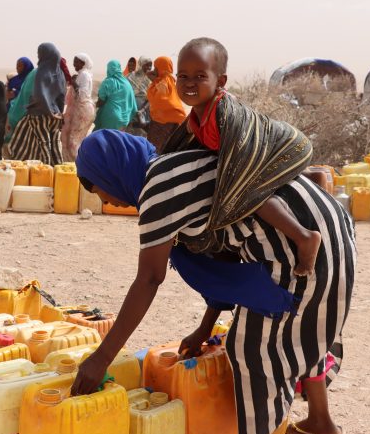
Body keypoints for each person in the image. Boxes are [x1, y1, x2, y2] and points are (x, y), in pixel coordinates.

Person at [72, 129, 355, 434]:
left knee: (251, 346)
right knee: (294, 324)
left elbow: (149, 279)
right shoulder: (172, 171)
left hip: (302, 251)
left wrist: (102, 358)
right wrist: (205, 326)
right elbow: (224, 255)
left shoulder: (158, 190)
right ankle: (320, 420)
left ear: (111, 172)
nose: (109, 202)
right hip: (332, 231)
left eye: (101, 190)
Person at [168, 38, 321, 275]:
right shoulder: (196, 118)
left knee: (248, 192)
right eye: (183, 76)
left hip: (289, 146)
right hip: (273, 149)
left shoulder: (225, 114)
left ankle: (304, 237)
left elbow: (240, 164)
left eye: (200, 76)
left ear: (220, 81)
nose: (190, 83)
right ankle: (312, 177)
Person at [7, 42, 67, 164]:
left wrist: (48, 112)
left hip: (39, 114)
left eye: (39, 54)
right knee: (55, 146)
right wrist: (58, 114)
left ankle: (45, 172)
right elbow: (61, 96)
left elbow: (39, 94)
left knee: (41, 145)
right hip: (55, 116)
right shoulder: (60, 73)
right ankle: (57, 170)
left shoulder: (40, 72)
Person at [146, 56, 187, 150]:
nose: (154, 70)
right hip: (173, 120)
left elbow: (159, 101)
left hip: (162, 122)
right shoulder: (171, 80)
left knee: (156, 150)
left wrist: (154, 80)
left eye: (156, 67)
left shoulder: (163, 82)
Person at [61, 53, 96, 162]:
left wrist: (74, 83)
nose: (73, 64)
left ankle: (79, 164)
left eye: (76, 61)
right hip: (80, 109)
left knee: (74, 140)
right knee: (72, 138)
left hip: (82, 110)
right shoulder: (83, 74)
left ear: (83, 63)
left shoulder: (84, 75)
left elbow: (82, 95)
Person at [94, 60, 137, 131]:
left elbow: (101, 101)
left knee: (105, 139)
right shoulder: (126, 83)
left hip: (110, 118)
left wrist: (93, 105)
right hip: (124, 119)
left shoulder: (108, 82)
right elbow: (131, 101)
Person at [125, 56, 153, 136]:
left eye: (150, 65)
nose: (149, 68)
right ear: (141, 64)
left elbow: (152, 97)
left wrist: (143, 109)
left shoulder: (151, 79)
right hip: (130, 108)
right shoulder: (130, 77)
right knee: (129, 133)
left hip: (145, 109)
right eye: (146, 65)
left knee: (141, 133)